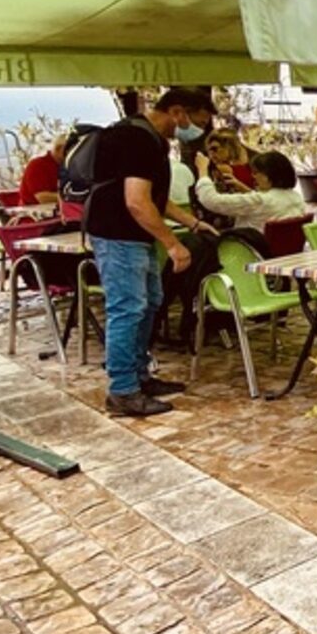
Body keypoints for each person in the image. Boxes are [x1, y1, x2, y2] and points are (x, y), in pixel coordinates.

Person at [87, 87, 217, 417]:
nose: (196, 130)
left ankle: (140, 376)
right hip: (118, 236)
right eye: (196, 121)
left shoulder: (151, 139)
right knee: (128, 310)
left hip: (135, 237)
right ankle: (122, 391)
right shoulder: (136, 139)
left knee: (149, 305)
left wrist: (191, 222)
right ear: (177, 112)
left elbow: (155, 197)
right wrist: (172, 244)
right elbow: (136, 201)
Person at [192, 148, 308, 232]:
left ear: (268, 176)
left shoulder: (259, 201)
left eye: (256, 173)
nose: (253, 176)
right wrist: (243, 188)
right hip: (282, 254)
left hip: (249, 252)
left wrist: (202, 171)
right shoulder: (296, 198)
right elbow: (267, 201)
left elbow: (211, 200)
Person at [16, 134, 67, 208]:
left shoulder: (69, 165)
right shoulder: (38, 165)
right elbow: (43, 198)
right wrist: (75, 198)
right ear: (58, 149)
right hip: (36, 213)